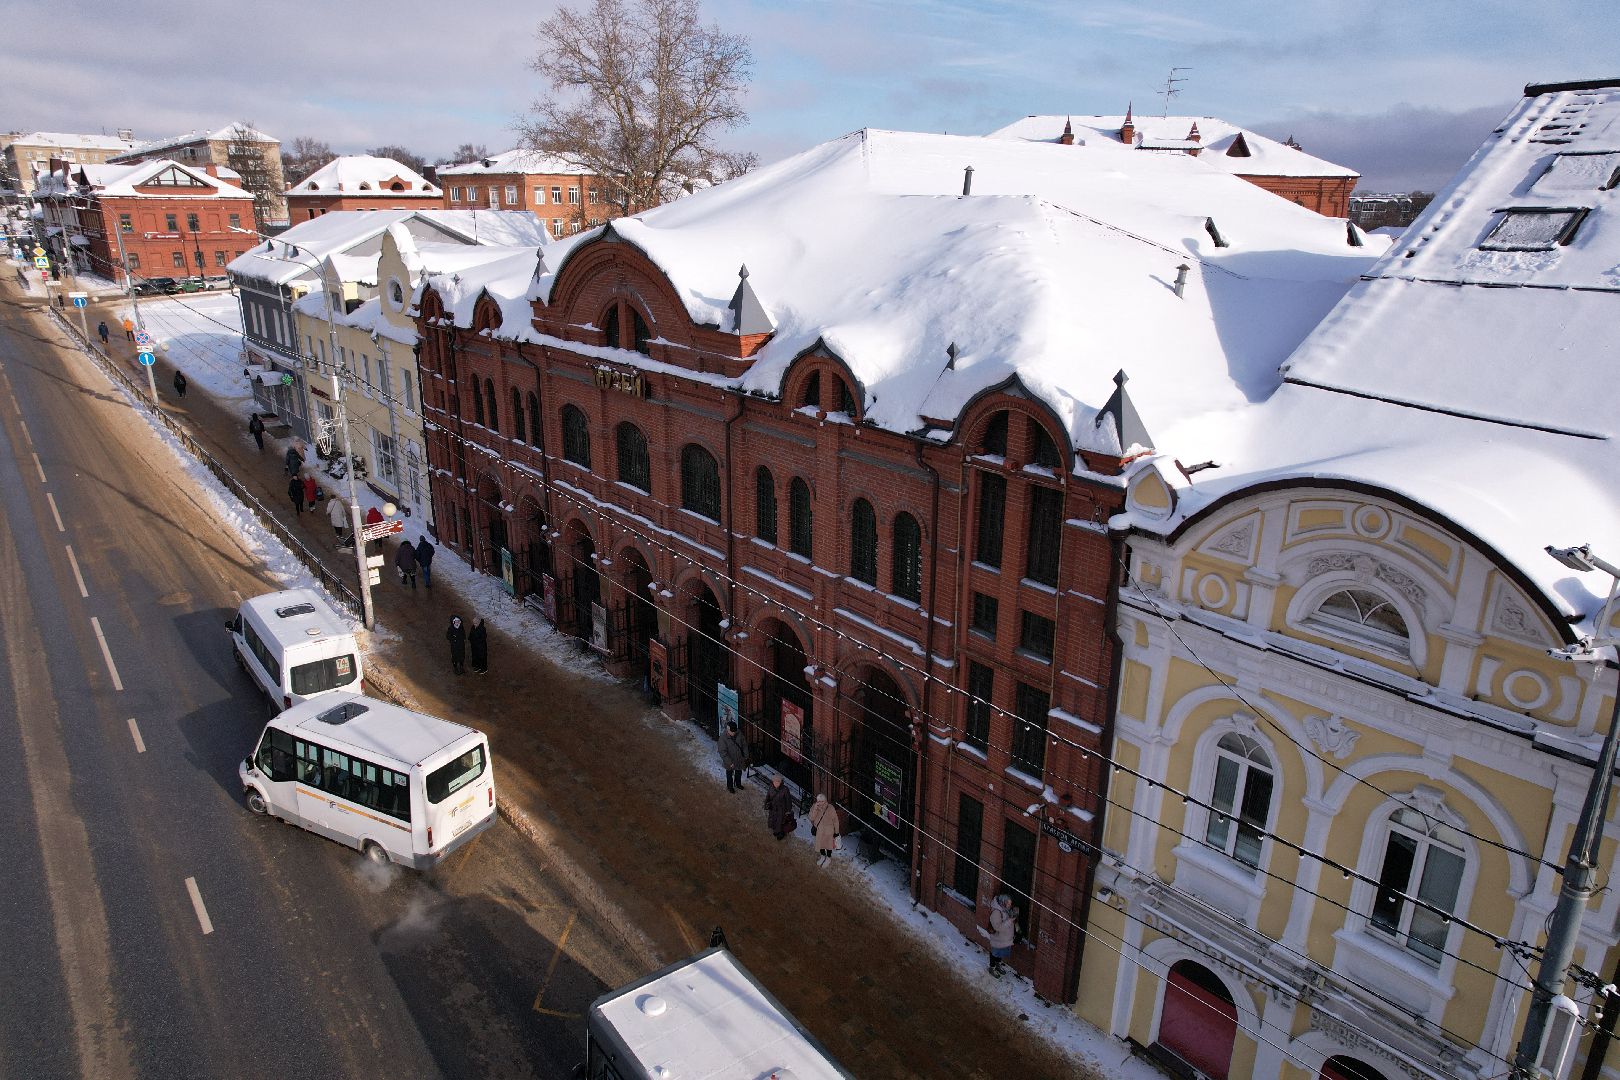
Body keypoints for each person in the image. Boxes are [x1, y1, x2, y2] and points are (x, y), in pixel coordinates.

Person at [984, 894, 1018, 978]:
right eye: (1008, 903)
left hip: (1004, 938)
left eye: (1010, 903)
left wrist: (1014, 914)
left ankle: (998, 965)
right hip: (998, 938)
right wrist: (1010, 920)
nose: (1010, 905)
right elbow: (998, 927)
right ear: (1003, 902)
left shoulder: (1006, 909)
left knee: (1000, 953)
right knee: (995, 953)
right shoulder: (996, 912)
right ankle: (992, 968)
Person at [809, 793, 839, 867]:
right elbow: (811, 818)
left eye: (822, 801)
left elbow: (835, 820)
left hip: (828, 830)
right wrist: (815, 809)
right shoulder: (814, 806)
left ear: (825, 801)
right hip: (819, 830)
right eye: (819, 801)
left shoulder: (830, 808)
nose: (820, 803)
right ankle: (822, 856)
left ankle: (828, 858)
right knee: (820, 844)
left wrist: (836, 832)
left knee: (828, 846)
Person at [764, 774, 795, 841]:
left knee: (780, 822)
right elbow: (768, 797)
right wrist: (766, 804)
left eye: (778, 781)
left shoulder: (785, 789)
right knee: (773, 820)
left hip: (782, 810)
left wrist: (788, 810)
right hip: (773, 808)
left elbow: (788, 800)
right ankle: (775, 831)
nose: (776, 783)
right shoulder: (771, 787)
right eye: (775, 781)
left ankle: (780, 833)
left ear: (781, 782)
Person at [719, 721, 747, 794]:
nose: (733, 733)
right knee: (729, 774)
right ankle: (730, 787)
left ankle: (738, 784)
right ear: (728, 729)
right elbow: (722, 752)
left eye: (735, 731)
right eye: (732, 732)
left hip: (739, 758)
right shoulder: (723, 738)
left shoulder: (739, 733)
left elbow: (744, 745)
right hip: (730, 760)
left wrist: (746, 755)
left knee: (739, 772)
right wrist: (729, 762)